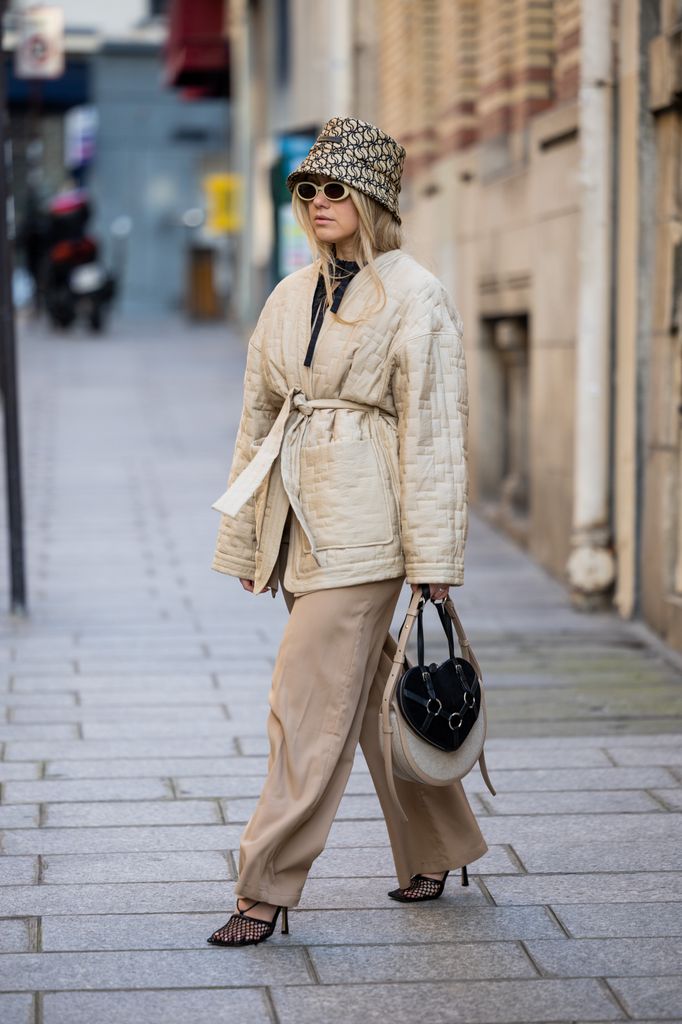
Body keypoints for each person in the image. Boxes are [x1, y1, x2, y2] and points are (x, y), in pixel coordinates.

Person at [207, 116, 488, 947]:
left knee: (303, 706)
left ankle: (264, 886)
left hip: (368, 530)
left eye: (337, 188)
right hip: (300, 524)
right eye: (308, 188)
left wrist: (433, 560)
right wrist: (252, 541)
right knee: (365, 700)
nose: (319, 201)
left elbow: (434, 435)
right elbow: (256, 422)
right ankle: (437, 848)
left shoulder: (416, 295)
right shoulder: (289, 295)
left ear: (374, 200)